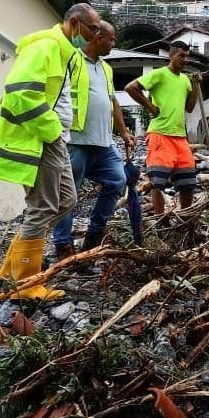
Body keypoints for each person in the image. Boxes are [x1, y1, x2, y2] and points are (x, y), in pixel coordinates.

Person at [0, 3, 102, 301]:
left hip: (56, 138)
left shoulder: (67, 52)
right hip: (40, 138)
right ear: (75, 24)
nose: (95, 35)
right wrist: (51, 131)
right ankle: (25, 285)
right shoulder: (46, 48)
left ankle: (12, 267)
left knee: (67, 199)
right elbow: (21, 93)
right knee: (43, 206)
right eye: (93, 29)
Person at [52, 20, 136, 258]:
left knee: (117, 181)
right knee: (68, 196)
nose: (114, 43)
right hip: (76, 140)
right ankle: (63, 245)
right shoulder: (73, 60)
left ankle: (94, 234)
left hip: (103, 142)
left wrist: (124, 132)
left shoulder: (106, 68)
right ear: (98, 38)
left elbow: (112, 101)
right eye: (111, 39)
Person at [125, 41, 198, 213]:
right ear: (171, 55)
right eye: (181, 55)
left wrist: (195, 86)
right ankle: (160, 221)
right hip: (160, 134)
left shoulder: (186, 80)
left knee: (187, 183)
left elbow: (190, 107)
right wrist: (151, 107)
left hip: (180, 137)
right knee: (158, 182)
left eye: (187, 56)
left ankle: (184, 222)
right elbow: (131, 87)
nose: (185, 59)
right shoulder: (159, 74)